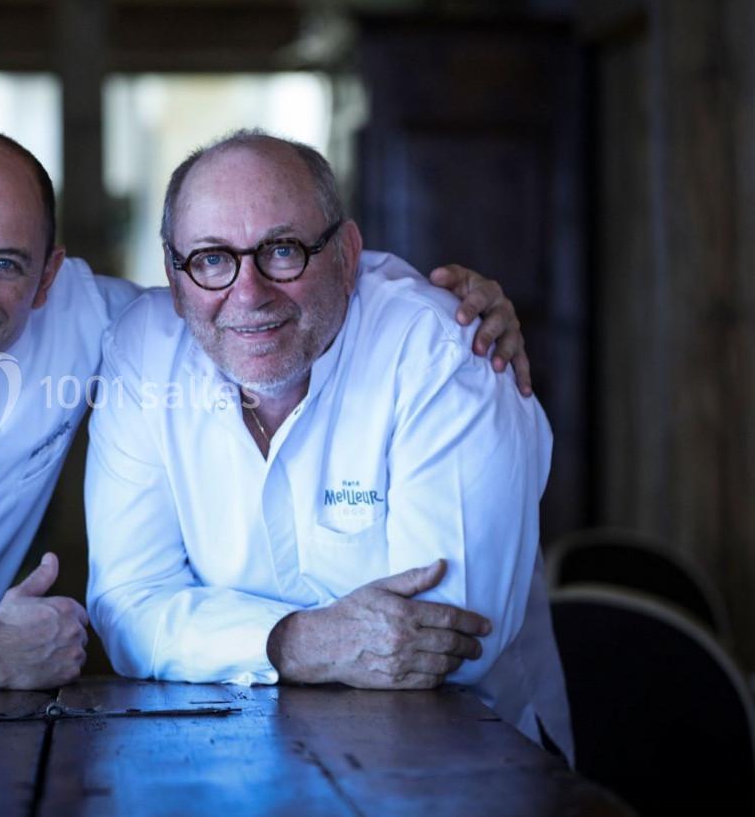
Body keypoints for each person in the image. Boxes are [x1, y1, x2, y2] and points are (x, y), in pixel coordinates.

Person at [0, 128, 532, 694]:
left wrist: (458, 313)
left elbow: (231, 303)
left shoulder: (113, 323)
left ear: (49, 275)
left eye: (7, 262)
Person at [84, 129, 572, 762]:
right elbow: (127, 608)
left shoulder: (445, 349)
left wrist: (209, 633)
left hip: (466, 762)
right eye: (210, 259)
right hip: (232, 764)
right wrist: (296, 641)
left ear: (346, 255)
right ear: (176, 281)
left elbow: (451, 642)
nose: (248, 293)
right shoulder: (142, 350)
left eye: (283, 250)